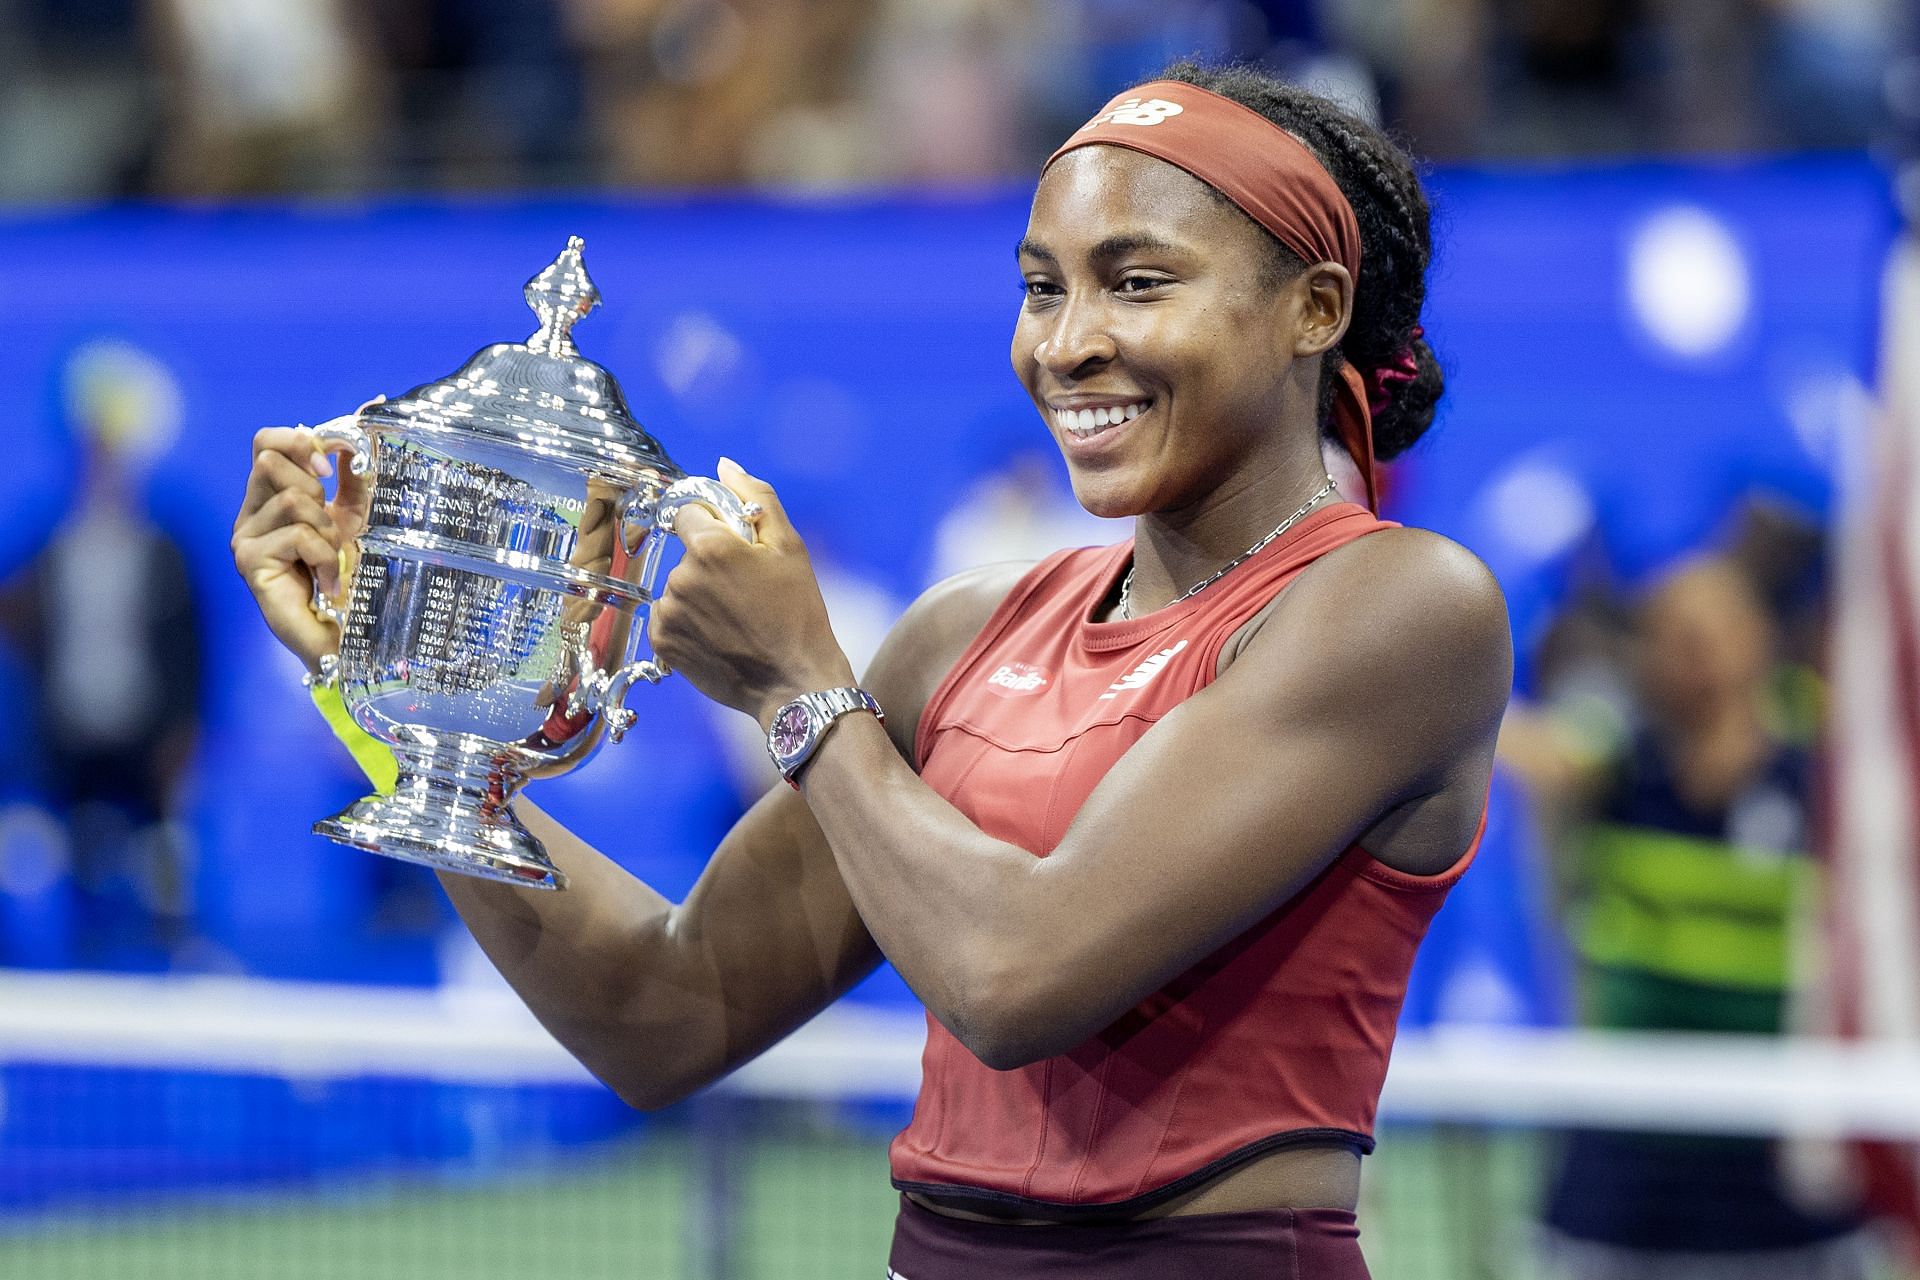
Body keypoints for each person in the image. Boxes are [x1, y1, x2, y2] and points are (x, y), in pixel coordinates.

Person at [231, 62, 1511, 1277]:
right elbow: (663, 1010)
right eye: (1042, 286)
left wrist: (798, 684)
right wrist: (402, 693)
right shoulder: (962, 633)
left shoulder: (1403, 608)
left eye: (1137, 282)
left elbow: (1016, 980)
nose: (1066, 344)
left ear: (1315, 308)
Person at [1500, 554, 1869, 1280]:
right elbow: (1512, 744)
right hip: (1624, 1174)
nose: (1692, 646)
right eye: (1669, 630)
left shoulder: (1827, 775)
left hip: (1783, 1181)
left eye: (1712, 625)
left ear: (1760, 636)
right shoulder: (1614, 764)